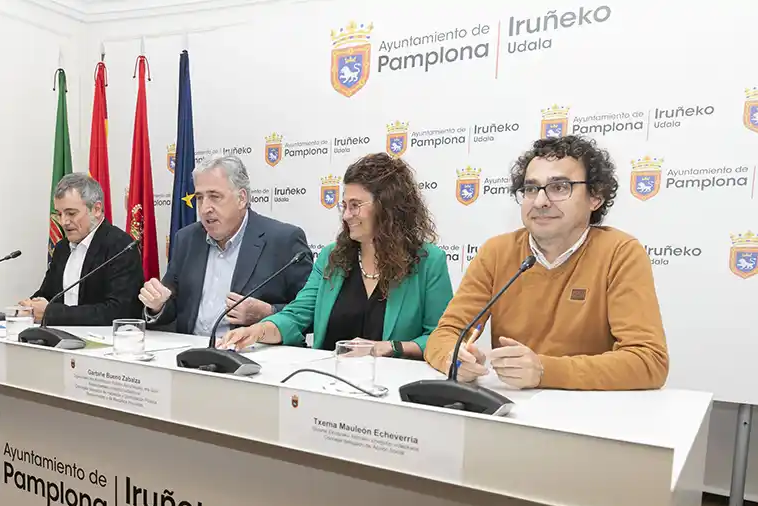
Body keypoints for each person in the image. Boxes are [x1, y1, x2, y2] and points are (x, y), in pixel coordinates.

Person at [424, 135, 668, 390]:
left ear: (595, 196)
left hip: (587, 408)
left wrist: (544, 371)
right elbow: (445, 334)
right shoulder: (496, 252)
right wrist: (454, 357)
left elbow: (649, 360)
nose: (540, 201)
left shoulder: (620, 253)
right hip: (509, 405)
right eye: (531, 189)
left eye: (559, 187)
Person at [218, 152, 453, 358]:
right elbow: (296, 315)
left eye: (355, 205)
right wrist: (256, 331)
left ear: (388, 207)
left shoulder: (428, 262)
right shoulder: (332, 258)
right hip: (326, 382)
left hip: (389, 387)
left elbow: (442, 337)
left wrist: (390, 348)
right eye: (344, 205)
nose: (346, 215)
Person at [138, 155, 312, 337]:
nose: (205, 208)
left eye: (215, 197)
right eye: (199, 198)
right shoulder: (187, 239)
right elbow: (172, 305)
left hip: (252, 351)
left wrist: (268, 313)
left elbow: (312, 313)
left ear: (241, 198)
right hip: (191, 350)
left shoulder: (283, 241)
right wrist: (158, 305)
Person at [22, 173, 143, 326]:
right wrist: (29, 307)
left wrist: (51, 314)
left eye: (71, 213)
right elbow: (47, 295)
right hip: (59, 336)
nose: (64, 222)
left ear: (96, 209)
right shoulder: (62, 248)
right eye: (59, 214)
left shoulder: (120, 246)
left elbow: (120, 311)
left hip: (102, 338)